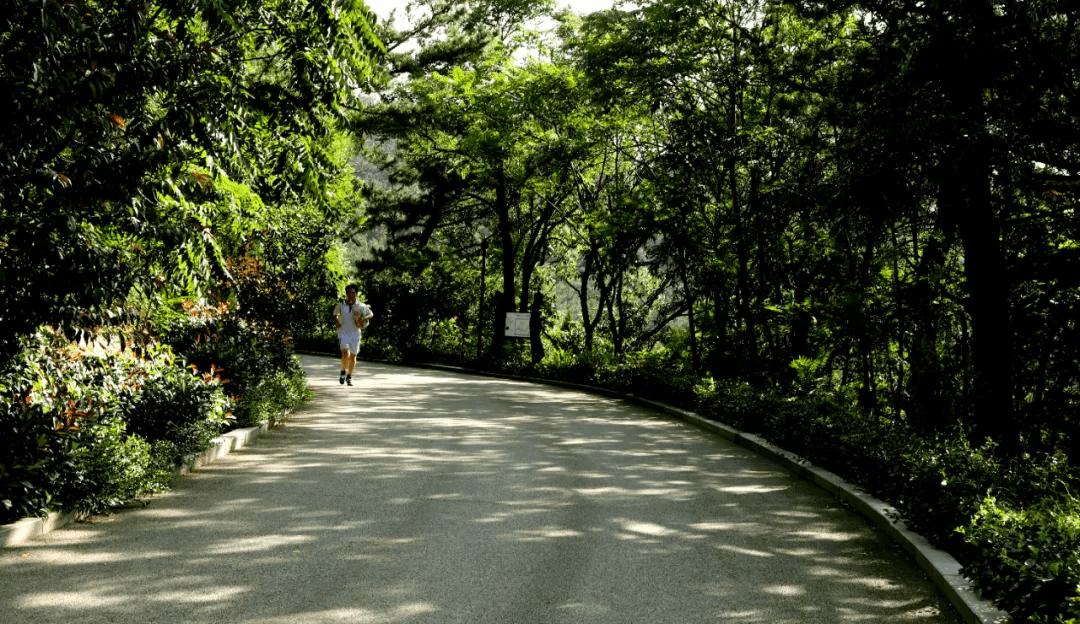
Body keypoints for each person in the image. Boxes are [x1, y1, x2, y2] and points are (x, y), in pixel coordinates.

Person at [334, 284, 374, 386]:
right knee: (345, 353)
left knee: (353, 356)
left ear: (356, 293)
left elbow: (371, 314)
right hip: (343, 332)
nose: (351, 294)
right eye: (349, 292)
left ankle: (349, 376)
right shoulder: (341, 305)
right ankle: (343, 371)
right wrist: (337, 320)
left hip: (355, 333)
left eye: (353, 292)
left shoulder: (361, 306)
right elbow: (336, 314)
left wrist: (363, 319)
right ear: (346, 294)